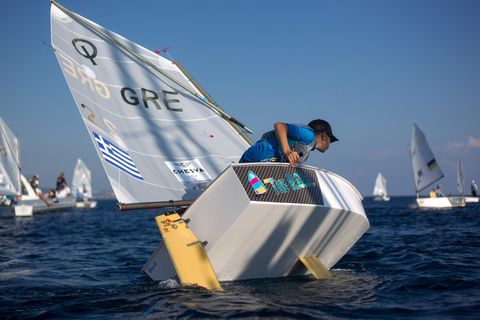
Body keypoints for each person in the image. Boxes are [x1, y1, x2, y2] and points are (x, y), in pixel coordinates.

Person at [239, 119, 338, 166]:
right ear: (324, 135)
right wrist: (287, 151)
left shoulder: (307, 148)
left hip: (257, 163)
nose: (330, 144)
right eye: (331, 140)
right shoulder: (309, 135)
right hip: (255, 159)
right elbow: (280, 126)